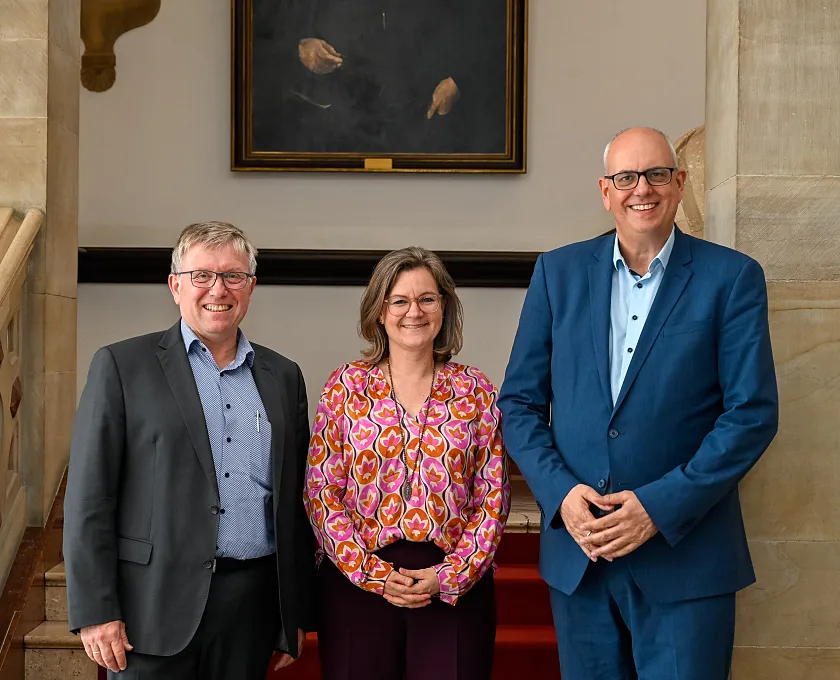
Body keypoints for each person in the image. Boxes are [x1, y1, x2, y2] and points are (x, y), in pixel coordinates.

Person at [498, 127, 779, 680]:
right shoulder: (557, 274)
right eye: (626, 177)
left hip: (686, 558)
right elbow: (519, 403)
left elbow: (751, 415)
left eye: (655, 174)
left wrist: (658, 506)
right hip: (582, 559)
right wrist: (562, 495)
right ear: (606, 191)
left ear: (678, 183)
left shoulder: (732, 278)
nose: (641, 189)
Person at [63, 222, 316, 679]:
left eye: (233, 276)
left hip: (250, 609)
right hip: (150, 609)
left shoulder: (283, 376)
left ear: (251, 288)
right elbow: (89, 498)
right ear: (175, 285)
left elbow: (295, 506)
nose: (218, 289)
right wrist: (96, 609)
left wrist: (291, 614)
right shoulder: (121, 366)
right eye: (202, 275)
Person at [304, 247, 510, 680]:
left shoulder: (476, 389)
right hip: (358, 587)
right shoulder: (345, 386)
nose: (413, 312)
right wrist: (372, 573)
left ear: (443, 308)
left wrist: (449, 575)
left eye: (427, 299)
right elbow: (322, 492)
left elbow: (492, 498)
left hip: (454, 590)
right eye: (399, 300)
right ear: (379, 312)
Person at [251, 0, 507, 154]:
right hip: (330, 118)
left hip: (424, 115)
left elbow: (493, 19)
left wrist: (459, 78)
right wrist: (299, 46)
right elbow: (260, 20)